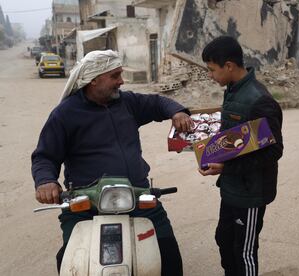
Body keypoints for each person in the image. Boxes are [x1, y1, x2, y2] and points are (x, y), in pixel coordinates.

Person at [31, 50, 192, 275]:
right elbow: (44, 156)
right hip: (86, 202)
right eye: (115, 76)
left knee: (168, 254)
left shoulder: (127, 102)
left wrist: (177, 112)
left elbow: (157, 102)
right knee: (71, 259)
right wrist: (46, 181)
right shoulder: (64, 114)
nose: (121, 81)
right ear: (94, 79)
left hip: (137, 195)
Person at [198, 36, 284, 276]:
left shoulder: (259, 100)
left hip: (250, 192)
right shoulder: (233, 91)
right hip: (231, 188)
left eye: (212, 70)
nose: (210, 75)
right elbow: (237, 139)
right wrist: (208, 150)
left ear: (229, 66)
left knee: (243, 252)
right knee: (224, 240)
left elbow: (273, 151)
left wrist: (226, 168)